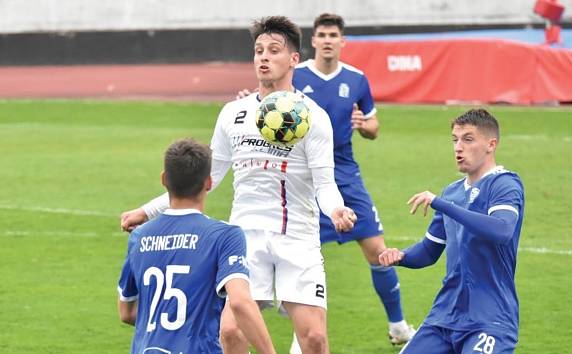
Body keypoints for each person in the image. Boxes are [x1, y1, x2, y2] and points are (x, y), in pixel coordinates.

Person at [120, 16, 356, 354]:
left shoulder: (312, 116)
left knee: (315, 339)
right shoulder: (233, 113)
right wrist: (147, 210)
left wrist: (336, 210)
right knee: (230, 331)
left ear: (293, 60)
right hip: (245, 236)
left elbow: (325, 183)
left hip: (297, 236)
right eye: (258, 50)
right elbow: (208, 178)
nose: (263, 57)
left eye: (274, 51)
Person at [239, 14, 416, 350]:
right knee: (297, 257)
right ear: (315, 41)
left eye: (334, 35)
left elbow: (375, 126)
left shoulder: (357, 79)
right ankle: (294, 326)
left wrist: (365, 125)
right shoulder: (296, 73)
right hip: (301, 176)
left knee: (377, 250)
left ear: (342, 41)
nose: (328, 40)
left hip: (345, 174)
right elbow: (264, 100)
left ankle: (398, 326)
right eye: (322, 35)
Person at [379, 109, 525, 354]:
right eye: (455, 140)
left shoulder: (505, 184)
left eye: (468, 139)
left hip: (489, 319)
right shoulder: (452, 192)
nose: (458, 147)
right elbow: (429, 251)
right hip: (445, 317)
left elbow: (502, 229)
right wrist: (401, 257)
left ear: (491, 144)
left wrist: (443, 204)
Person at [117, 138, 276, 354]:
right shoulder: (225, 236)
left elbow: (126, 312)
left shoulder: (139, 237)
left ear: (164, 180)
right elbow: (239, 302)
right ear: (208, 183)